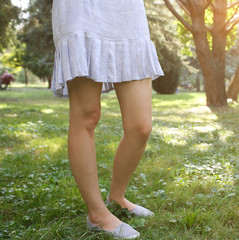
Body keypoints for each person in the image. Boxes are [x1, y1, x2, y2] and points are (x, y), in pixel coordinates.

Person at [51, 1, 164, 239]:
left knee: (141, 126)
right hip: (83, 10)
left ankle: (117, 197)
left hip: (126, 11)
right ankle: (97, 214)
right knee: (87, 115)